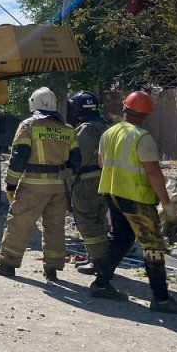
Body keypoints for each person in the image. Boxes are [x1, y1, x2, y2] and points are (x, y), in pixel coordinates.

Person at [88, 91, 177, 312]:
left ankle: (101, 283)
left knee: (122, 238)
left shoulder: (109, 133)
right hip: (136, 198)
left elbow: (102, 162)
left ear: (125, 110)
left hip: (112, 193)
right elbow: (154, 173)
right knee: (153, 246)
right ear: (146, 115)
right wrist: (167, 204)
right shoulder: (142, 137)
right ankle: (161, 298)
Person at [0, 87, 80, 281]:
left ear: (34, 103)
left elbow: (18, 157)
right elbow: (76, 160)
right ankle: (52, 269)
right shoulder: (67, 129)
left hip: (33, 185)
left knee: (19, 223)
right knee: (54, 226)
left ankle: (7, 264)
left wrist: (11, 184)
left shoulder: (29, 125)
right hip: (59, 187)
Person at [66, 91, 110, 275]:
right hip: (105, 180)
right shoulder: (105, 126)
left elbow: (78, 158)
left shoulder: (86, 129)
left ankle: (99, 263)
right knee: (100, 220)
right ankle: (100, 258)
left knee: (87, 221)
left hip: (87, 182)